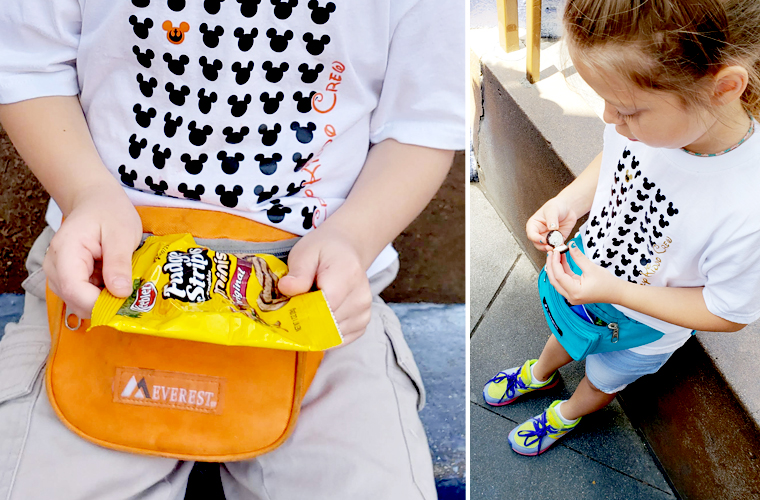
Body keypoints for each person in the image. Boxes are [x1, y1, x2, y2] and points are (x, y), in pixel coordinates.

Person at [0, 0, 464, 498]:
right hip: (99, 277)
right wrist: (85, 193)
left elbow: (424, 119)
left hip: (312, 292)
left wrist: (355, 237)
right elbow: (27, 62)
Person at [483, 0, 760, 456]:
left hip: (644, 328)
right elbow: (616, 161)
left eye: (625, 109)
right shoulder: (648, 123)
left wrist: (616, 291)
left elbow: (727, 312)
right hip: (589, 284)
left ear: (723, 87)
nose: (610, 120)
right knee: (564, 335)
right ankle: (538, 373)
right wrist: (568, 201)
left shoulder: (746, 206)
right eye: (605, 103)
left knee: (602, 379)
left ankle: (566, 414)